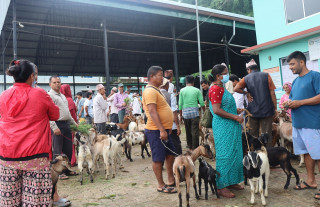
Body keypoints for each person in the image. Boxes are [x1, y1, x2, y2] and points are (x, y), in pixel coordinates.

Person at [0, 60, 60, 206]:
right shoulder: (40, 94)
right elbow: (55, 115)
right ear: (32, 76)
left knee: (10, 200)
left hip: (8, 156)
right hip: (35, 157)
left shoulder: (3, 95)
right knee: (35, 201)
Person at [285, 51, 320, 198]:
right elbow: (293, 100)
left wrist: (300, 102)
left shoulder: (315, 76)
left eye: (292, 64)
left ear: (302, 62)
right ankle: (310, 180)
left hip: (312, 123)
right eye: (289, 65)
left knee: (318, 155)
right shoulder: (295, 81)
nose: (290, 67)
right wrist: (288, 104)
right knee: (306, 153)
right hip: (298, 124)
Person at [208, 64, 244, 198]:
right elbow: (217, 110)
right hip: (224, 126)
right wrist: (235, 116)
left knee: (235, 152)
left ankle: (232, 181)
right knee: (225, 155)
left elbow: (224, 106)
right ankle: (221, 186)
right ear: (218, 76)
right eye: (225, 73)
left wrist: (236, 111)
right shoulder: (215, 89)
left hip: (231, 124)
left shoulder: (221, 88)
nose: (227, 75)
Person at [142, 66, 176, 194]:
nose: (163, 78)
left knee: (170, 153)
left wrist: (167, 128)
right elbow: (152, 111)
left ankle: (170, 179)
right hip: (155, 130)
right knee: (158, 158)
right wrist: (162, 130)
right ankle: (161, 185)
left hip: (163, 129)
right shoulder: (150, 91)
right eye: (160, 75)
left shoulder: (156, 90)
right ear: (152, 76)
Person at [234, 59, 277, 146]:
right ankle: (267, 155)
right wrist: (275, 108)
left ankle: (254, 155)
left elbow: (236, 89)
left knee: (253, 135)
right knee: (267, 135)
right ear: (257, 68)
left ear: (249, 70)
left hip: (252, 112)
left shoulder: (246, 78)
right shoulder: (266, 75)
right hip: (267, 110)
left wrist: (246, 93)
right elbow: (272, 93)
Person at [48, 76, 77, 172]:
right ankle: (59, 172)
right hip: (57, 124)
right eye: (54, 82)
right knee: (58, 150)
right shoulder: (50, 96)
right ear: (50, 84)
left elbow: (67, 112)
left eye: (58, 82)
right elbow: (48, 113)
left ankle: (67, 170)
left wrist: (74, 123)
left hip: (66, 124)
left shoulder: (63, 96)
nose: (57, 84)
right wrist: (54, 127)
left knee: (68, 149)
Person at [179, 75, 205, 150]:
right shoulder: (197, 90)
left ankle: (190, 146)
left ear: (186, 82)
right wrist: (204, 111)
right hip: (195, 113)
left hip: (186, 114)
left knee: (188, 131)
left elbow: (180, 104)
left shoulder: (182, 90)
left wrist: (181, 116)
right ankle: (195, 148)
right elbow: (202, 103)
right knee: (195, 132)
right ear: (193, 82)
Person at [160, 78, 182, 155]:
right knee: (176, 143)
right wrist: (178, 126)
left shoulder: (156, 94)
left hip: (159, 126)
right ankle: (178, 160)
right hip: (171, 125)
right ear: (166, 85)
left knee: (162, 145)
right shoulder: (171, 96)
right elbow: (174, 112)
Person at [60, 84, 78, 167]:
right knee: (71, 144)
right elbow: (74, 113)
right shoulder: (69, 100)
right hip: (71, 125)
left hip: (61, 125)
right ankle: (72, 161)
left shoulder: (61, 98)